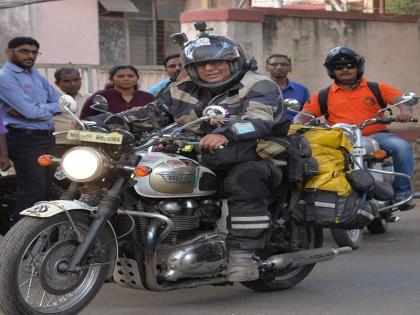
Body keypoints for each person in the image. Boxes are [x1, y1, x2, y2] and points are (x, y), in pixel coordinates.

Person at [99, 24, 285, 282]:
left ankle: (243, 255)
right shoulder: (182, 88)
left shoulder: (258, 84)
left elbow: (259, 120)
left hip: (255, 154)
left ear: (233, 62)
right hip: (201, 153)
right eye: (202, 65)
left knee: (243, 178)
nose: (210, 68)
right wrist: (109, 122)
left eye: (217, 62)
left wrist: (227, 133)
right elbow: (152, 113)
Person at [294, 46, 415, 210]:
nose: (345, 69)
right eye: (339, 67)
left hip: (376, 135)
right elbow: (304, 115)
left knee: (401, 147)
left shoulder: (376, 88)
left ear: (358, 67)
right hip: (340, 139)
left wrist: (405, 112)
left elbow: (403, 101)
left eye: (350, 65)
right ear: (332, 71)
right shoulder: (323, 95)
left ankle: (403, 193)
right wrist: (298, 124)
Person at [0, 36, 62, 221]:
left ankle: (40, 234)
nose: (30, 55)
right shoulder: (5, 77)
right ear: (9, 52)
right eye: (25, 51)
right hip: (24, 139)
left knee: (47, 188)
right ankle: (20, 237)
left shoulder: (36, 76)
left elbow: (63, 103)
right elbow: (31, 112)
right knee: (33, 189)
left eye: (34, 52)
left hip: (47, 137)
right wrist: (35, 110)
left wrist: (37, 109)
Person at [80, 65, 155, 119]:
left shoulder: (148, 97)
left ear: (137, 78)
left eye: (130, 76)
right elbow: (85, 119)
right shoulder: (99, 97)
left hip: (144, 139)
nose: (126, 79)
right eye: (120, 76)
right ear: (111, 79)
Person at [265, 54, 310, 121]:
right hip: (266, 129)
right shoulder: (258, 89)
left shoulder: (302, 90)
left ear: (290, 68)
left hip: (293, 129)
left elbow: (308, 114)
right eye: (274, 64)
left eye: (284, 65)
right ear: (267, 68)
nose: (279, 67)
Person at [54, 67, 90, 147]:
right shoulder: (51, 100)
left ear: (80, 80)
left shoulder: (90, 98)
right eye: (66, 81)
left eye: (76, 80)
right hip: (60, 144)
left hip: (88, 145)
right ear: (57, 83)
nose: (73, 84)